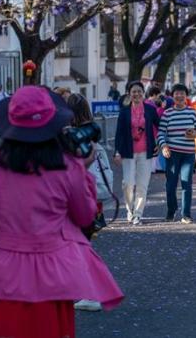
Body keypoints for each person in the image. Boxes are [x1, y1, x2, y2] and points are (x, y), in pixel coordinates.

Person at [0, 86, 123, 336]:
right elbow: (85, 215)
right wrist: (82, 170)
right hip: (54, 272)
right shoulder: (66, 164)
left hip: (0, 272)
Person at [66, 93, 115, 312]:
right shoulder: (92, 130)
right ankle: (83, 291)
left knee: (80, 248)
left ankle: (91, 292)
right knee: (81, 247)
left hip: (80, 199)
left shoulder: (72, 136)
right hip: (93, 200)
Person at [114, 81, 160, 225]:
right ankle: (130, 210)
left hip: (146, 152)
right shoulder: (124, 111)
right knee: (127, 183)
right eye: (134, 91)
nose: (137, 94)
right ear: (129, 93)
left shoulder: (150, 110)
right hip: (128, 152)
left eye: (139, 91)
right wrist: (116, 151)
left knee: (142, 185)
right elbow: (119, 133)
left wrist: (159, 142)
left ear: (143, 93)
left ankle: (138, 214)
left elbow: (160, 126)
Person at [158, 84, 196, 223]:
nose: (179, 96)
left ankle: (186, 214)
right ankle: (171, 210)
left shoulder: (192, 112)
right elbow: (161, 133)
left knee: (186, 184)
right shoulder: (167, 113)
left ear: (186, 96)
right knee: (170, 185)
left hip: (188, 154)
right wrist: (164, 145)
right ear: (172, 96)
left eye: (182, 93)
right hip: (172, 154)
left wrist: (194, 133)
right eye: (176, 93)